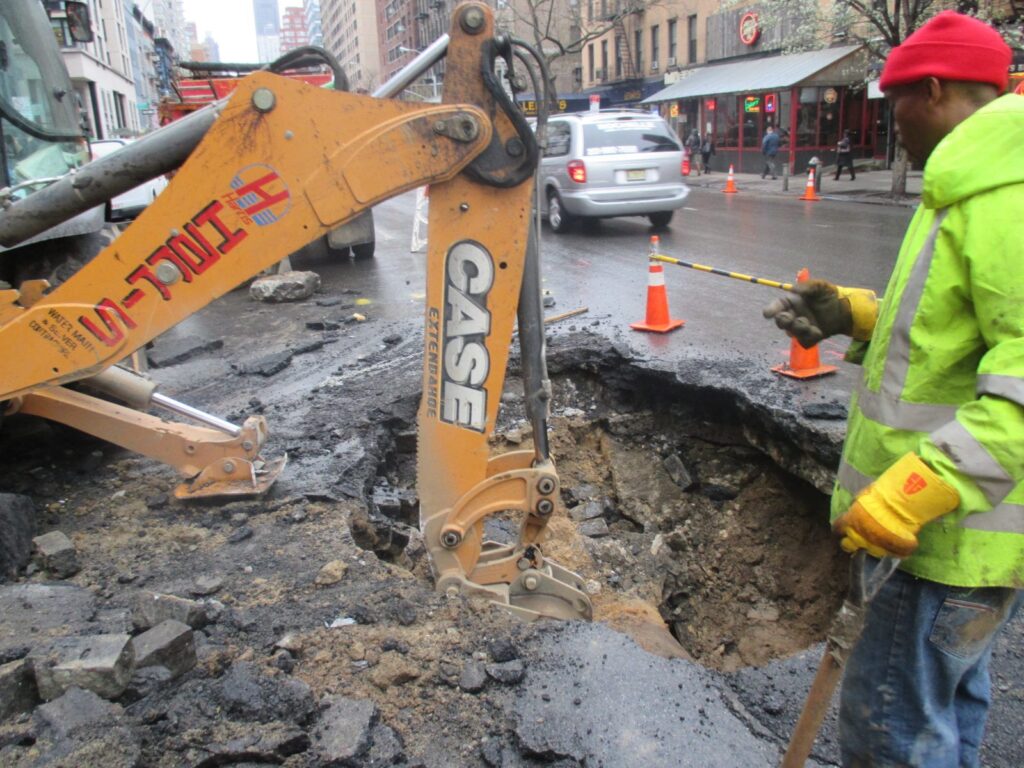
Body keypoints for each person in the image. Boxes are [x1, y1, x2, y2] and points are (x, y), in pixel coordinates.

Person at [763, 11, 1022, 766]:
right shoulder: (966, 187)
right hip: (955, 541)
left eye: (894, 100)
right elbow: (956, 337)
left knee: (894, 737)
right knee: (946, 720)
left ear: (934, 91)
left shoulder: (1003, 197)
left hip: (934, 541)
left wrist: (912, 493)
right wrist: (855, 315)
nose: (889, 118)